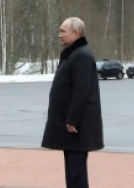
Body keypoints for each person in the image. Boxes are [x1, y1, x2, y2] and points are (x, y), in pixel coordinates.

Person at [41, 17, 103, 188]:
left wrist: (72, 120)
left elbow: (81, 90)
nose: (59, 35)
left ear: (76, 33)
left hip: (77, 127)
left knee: (76, 174)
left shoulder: (81, 55)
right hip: (72, 127)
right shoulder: (74, 53)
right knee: (72, 172)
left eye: (63, 31)